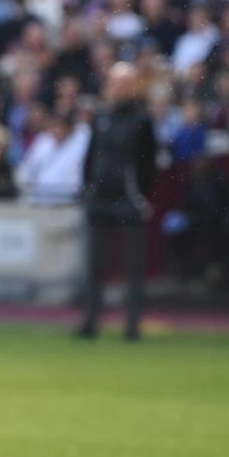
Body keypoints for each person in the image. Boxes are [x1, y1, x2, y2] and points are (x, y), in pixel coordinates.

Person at [77, 63, 158, 341]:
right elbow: (91, 155)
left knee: (133, 267)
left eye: (125, 83)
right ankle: (90, 323)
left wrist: (142, 195)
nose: (119, 87)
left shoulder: (142, 120)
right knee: (94, 266)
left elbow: (149, 163)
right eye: (115, 82)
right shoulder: (100, 117)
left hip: (129, 199)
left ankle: (132, 325)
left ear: (133, 86)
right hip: (99, 197)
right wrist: (88, 186)